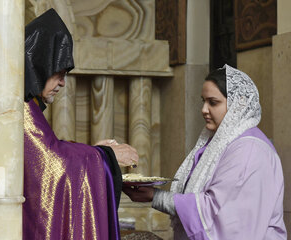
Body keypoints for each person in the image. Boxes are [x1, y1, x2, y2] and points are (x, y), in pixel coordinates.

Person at [0, 9, 138, 240]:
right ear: (37, 67)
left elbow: (42, 155)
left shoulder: (14, 105)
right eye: (59, 74)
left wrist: (96, 152)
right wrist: (105, 155)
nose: (63, 83)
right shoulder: (17, 110)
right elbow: (50, 168)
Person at [123, 65, 287, 240]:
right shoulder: (218, 142)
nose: (204, 109)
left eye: (213, 102)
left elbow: (219, 215)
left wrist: (156, 197)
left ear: (238, 104)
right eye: (203, 101)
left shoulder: (249, 150)